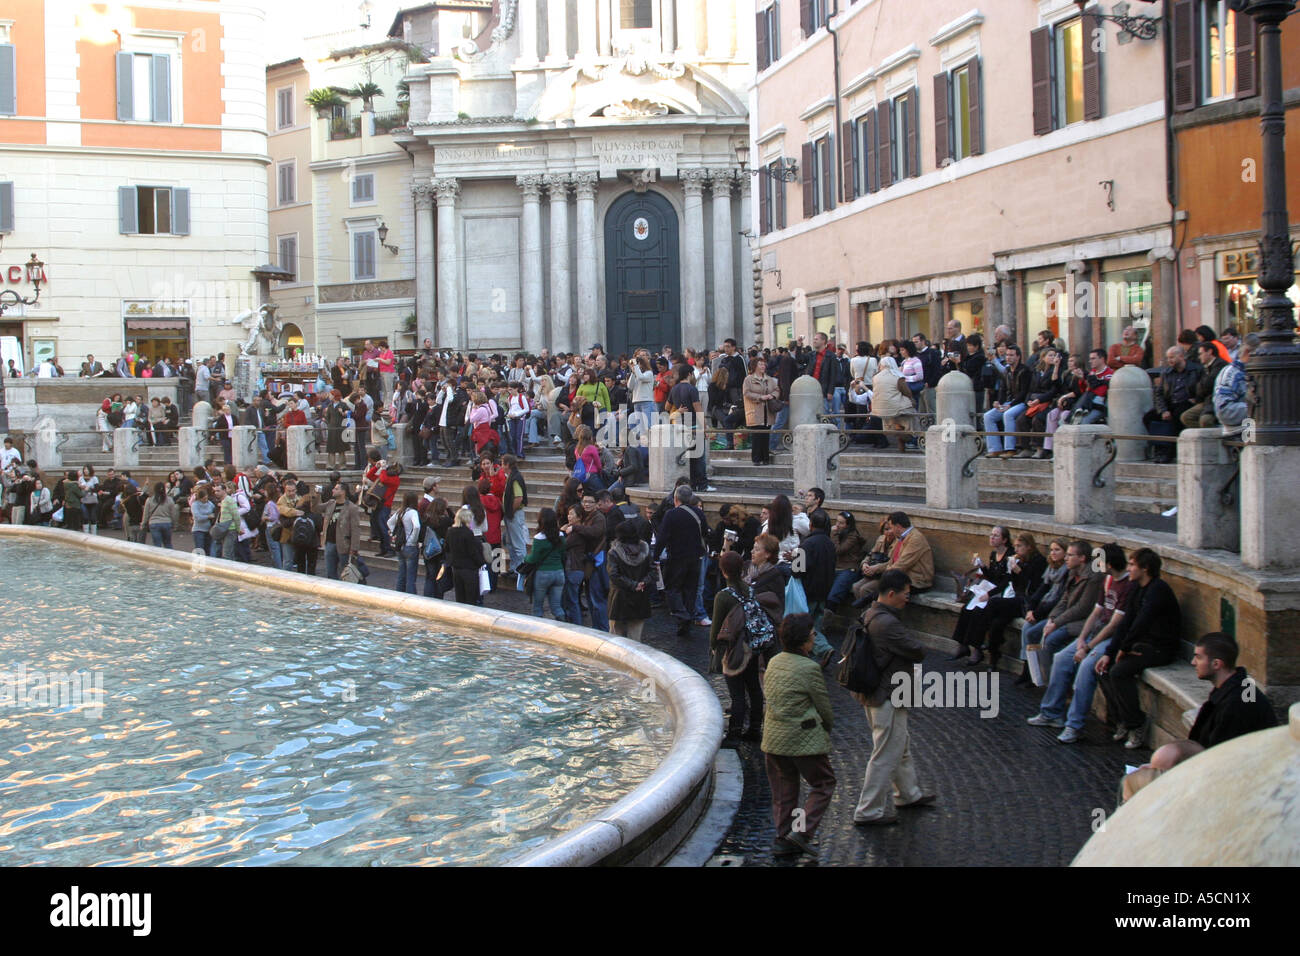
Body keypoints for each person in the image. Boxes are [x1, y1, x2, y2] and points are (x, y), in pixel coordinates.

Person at [851, 570, 935, 826]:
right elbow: (917, 650)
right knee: (886, 752)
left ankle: (908, 794)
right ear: (891, 594)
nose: (907, 599)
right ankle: (868, 810)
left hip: (882, 692)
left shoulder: (870, 615)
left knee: (901, 745)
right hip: (886, 695)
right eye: (905, 594)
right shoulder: (887, 623)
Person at [1027, 543, 1132, 743]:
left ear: (1108, 563)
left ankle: (1074, 725)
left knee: (1086, 668)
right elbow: (1096, 612)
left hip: (1112, 638)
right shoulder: (1108, 580)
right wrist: (1082, 638)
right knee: (1060, 658)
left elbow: (1113, 625)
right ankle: (1051, 713)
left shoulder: (1127, 586)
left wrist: (1087, 647)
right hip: (1095, 633)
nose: (1095, 565)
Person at [761, 612, 837, 857]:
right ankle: (801, 833)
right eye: (813, 634)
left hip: (773, 739)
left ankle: (782, 839)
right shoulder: (809, 668)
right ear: (804, 641)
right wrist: (826, 728)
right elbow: (824, 708)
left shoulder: (773, 662)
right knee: (824, 784)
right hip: (802, 740)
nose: (814, 638)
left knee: (784, 792)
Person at [1096, 548, 1183, 750]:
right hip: (1141, 644)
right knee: (1103, 668)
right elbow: (1126, 623)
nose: (1128, 568)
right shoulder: (1136, 587)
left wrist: (1123, 649)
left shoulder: (1158, 590)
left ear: (1145, 568)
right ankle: (1122, 720)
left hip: (1161, 648)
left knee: (1119, 672)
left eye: (1133, 565)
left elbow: (1142, 622)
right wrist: (1110, 652)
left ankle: (1136, 723)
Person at [712, 550, 781, 745]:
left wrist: (714, 649)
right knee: (753, 688)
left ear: (724, 572)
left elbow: (716, 629)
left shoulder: (723, 596)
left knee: (736, 693)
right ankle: (754, 729)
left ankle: (734, 734)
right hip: (754, 645)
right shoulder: (751, 589)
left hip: (735, 649)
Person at [853, 511, 934, 604]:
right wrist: (875, 569)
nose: (890, 530)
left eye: (891, 527)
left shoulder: (915, 539)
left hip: (916, 582)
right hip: (900, 575)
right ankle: (868, 614)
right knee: (857, 586)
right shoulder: (902, 537)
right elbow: (893, 561)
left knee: (867, 589)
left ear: (898, 526)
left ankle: (874, 614)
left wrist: (882, 575)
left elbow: (902, 564)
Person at [657, 484, 707, 637]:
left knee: (672, 589)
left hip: (677, 559)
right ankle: (686, 623)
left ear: (676, 498)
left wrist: (655, 557)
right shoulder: (699, 513)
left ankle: (682, 615)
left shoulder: (671, 515)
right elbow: (705, 533)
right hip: (695, 559)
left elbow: (662, 538)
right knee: (690, 590)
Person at [607, 519, 654, 642]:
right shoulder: (645, 549)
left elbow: (614, 575)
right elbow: (653, 571)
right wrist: (642, 583)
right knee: (635, 636)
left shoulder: (614, 552)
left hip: (619, 597)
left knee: (616, 637)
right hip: (640, 596)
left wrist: (633, 585)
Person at [525, 507, 567, 620]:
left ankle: (536, 633)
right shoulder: (561, 536)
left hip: (543, 574)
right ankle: (564, 629)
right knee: (557, 607)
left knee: (538, 608)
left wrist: (525, 558)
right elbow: (564, 554)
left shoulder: (539, 538)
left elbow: (533, 558)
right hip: (559, 573)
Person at [742, 356, 780, 466]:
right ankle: (756, 458)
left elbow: (777, 390)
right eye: (760, 364)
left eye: (764, 364)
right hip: (755, 410)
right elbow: (746, 393)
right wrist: (760, 397)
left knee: (765, 434)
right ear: (755, 366)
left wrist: (771, 396)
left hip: (767, 411)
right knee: (756, 435)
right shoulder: (748, 379)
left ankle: (765, 458)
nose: (763, 366)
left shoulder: (769, 379)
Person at [446, 504, 486, 605]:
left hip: (456, 568)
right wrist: (481, 562)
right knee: (470, 599)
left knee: (460, 598)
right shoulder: (468, 533)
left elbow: (447, 549)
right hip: (469, 569)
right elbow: (473, 552)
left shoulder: (450, 531)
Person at [389, 490, 423, 593]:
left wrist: (393, 533)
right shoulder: (413, 512)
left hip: (400, 545)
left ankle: (399, 594)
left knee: (401, 574)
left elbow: (389, 522)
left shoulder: (400, 511)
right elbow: (417, 526)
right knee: (411, 578)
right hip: (410, 546)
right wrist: (413, 539)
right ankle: (411, 597)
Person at [141, 480, 176, 549]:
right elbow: (173, 514)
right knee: (168, 544)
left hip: (154, 523)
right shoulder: (169, 500)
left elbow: (146, 514)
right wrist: (174, 524)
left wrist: (143, 524)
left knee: (157, 545)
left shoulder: (149, 500)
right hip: (167, 523)